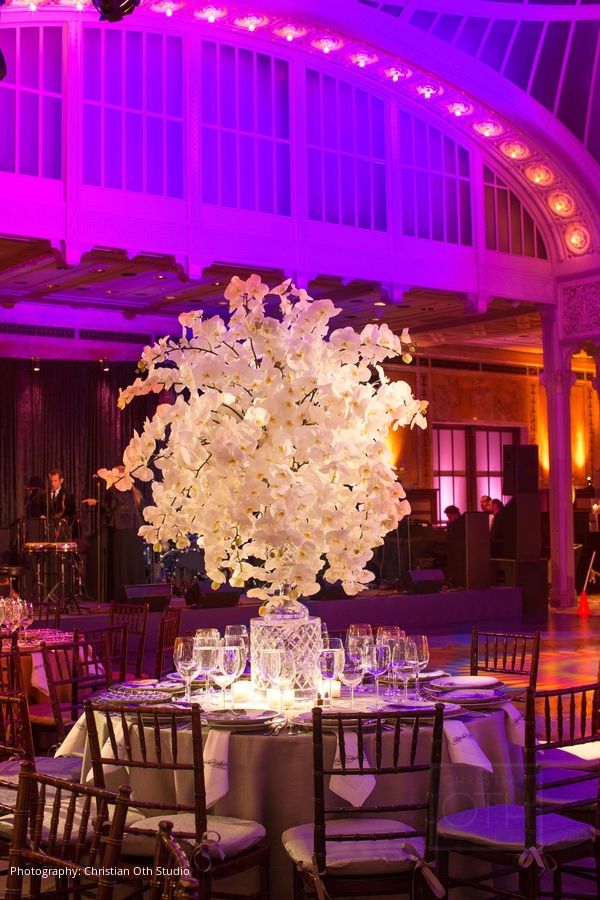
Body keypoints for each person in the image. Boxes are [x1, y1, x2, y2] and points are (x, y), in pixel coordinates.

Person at [86, 466, 147, 601]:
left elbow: (108, 509)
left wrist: (96, 503)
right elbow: (143, 510)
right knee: (134, 563)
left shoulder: (113, 491)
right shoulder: (135, 492)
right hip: (135, 529)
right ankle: (137, 595)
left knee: (121, 562)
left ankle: (121, 596)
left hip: (120, 529)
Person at [41, 468, 77, 538]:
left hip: (62, 530)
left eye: (55, 481)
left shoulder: (68, 495)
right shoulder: (43, 494)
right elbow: (38, 509)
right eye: (51, 481)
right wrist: (42, 516)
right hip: (45, 528)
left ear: (61, 480)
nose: (52, 484)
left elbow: (71, 513)